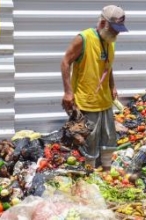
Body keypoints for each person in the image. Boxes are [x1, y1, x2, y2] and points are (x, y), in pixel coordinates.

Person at [61, 5, 128, 168]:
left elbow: (107, 66)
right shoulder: (83, 38)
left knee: (108, 139)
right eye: (115, 29)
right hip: (87, 101)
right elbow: (65, 62)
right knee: (88, 141)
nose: (117, 33)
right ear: (103, 23)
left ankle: (106, 169)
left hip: (104, 100)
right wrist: (68, 92)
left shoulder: (110, 41)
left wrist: (112, 85)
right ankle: (88, 172)